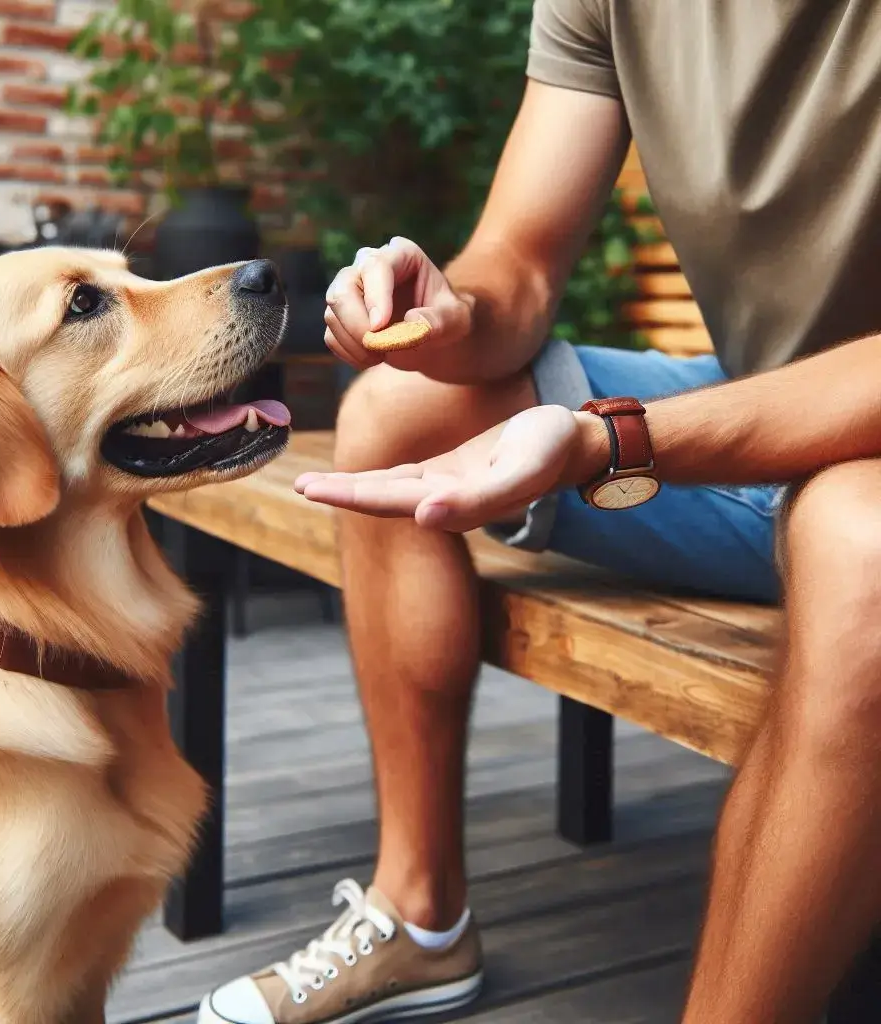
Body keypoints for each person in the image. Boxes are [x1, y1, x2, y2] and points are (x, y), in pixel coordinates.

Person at [197, 4, 881, 1024]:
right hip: (759, 417)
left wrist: (611, 439)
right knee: (396, 408)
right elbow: (515, 263)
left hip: (847, 471)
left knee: (859, 545)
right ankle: (420, 919)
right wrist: (443, 311)